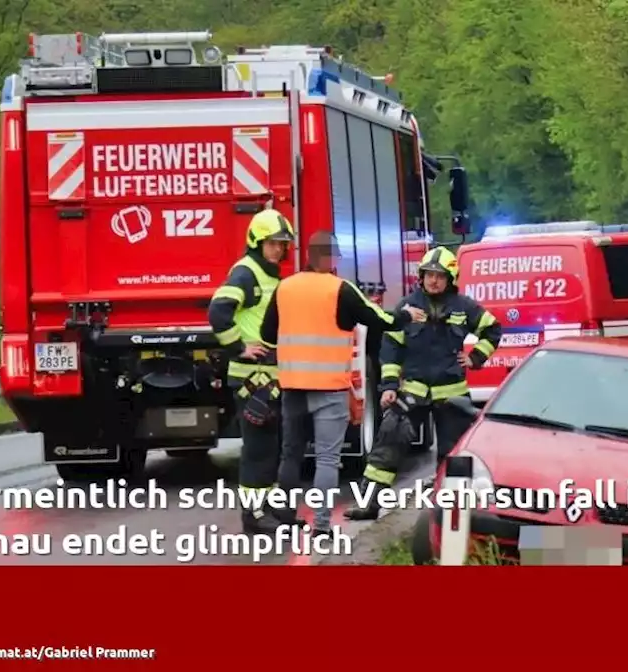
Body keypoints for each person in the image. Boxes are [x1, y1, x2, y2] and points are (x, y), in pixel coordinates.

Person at [259, 231, 425, 540]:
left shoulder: (285, 288)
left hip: (293, 386)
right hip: (329, 388)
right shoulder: (341, 290)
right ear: (332, 258)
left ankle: (284, 518)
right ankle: (321, 526)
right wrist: (406, 315)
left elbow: (268, 333)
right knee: (326, 459)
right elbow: (378, 319)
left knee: (290, 454)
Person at [345, 246, 502, 521]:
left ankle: (451, 514)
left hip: (452, 393)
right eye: (429, 275)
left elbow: (492, 329)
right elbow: (391, 347)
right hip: (413, 390)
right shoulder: (408, 307)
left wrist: (476, 357)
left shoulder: (464, 307)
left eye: (440, 276)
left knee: (454, 454)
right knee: (388, 443)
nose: (433, 280)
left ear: (451, 278)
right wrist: (390, 386)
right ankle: (368, 503)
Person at [208, 209, 294, 535]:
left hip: (267, 376)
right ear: (257, 242)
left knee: (271, 445)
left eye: (283, 244)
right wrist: (239, 346)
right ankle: (254, 516)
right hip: (250, 376)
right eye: (273, 243)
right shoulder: (246, 273)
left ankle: (268, 509)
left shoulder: (266, 273)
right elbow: (218, 310)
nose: (279, 250)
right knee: (258, 448)